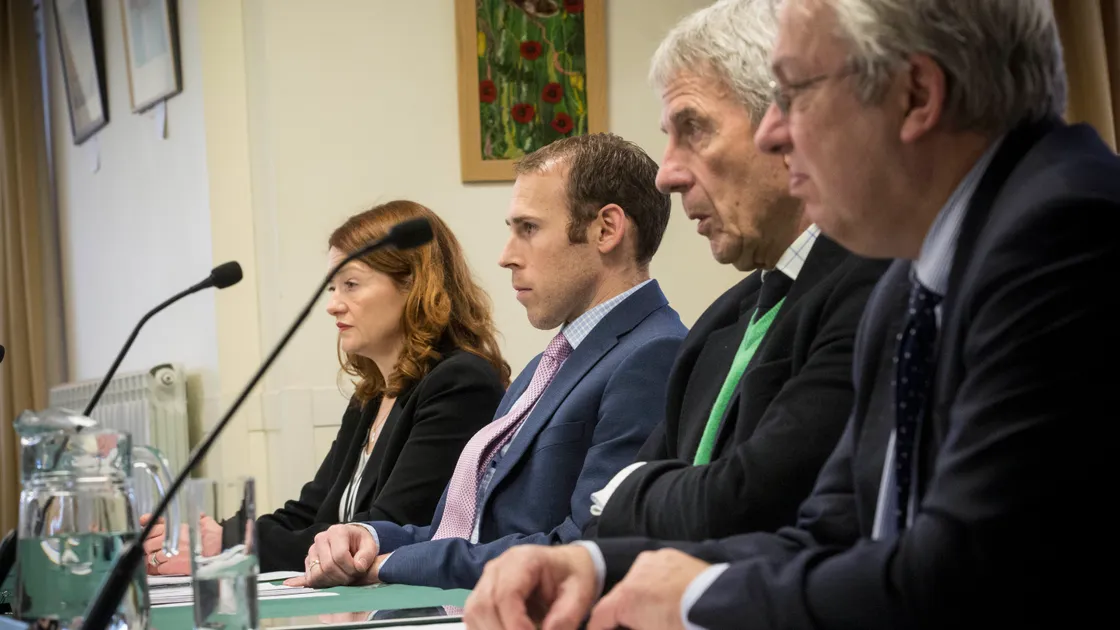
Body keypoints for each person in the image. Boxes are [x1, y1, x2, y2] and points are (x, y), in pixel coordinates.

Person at [463, 0, 1119, 628]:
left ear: (916, 95)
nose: (776, 131)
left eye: (796, 93)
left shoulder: (1067, 236)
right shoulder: (915, 276)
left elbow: (963, 576)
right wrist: (595, 562)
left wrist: (699, 595)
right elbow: (831, 534)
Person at [285, 132, 687, 591]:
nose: (505, 256)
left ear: (606, 230)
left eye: (528, 229)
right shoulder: (544, 367)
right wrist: (368, 538)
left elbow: (586, 549)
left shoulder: (652, 354)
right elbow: (459, 532)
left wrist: (390, 564)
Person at [584, 0, 888, 544]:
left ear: (785, 125)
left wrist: (634, 493)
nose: (667, 175)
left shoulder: (871, 285)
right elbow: (604, 521)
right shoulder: (721, 319)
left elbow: (748, 505)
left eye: (693, 129)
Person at [143, 200, 509, 574]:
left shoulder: (460, 384)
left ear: (414, 284)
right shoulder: (371, 396)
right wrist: (214, 534)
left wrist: (230, 546)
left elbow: (384, 529)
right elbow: (310, 511)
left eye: (350, 284)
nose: (333, 305)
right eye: (332, 287)